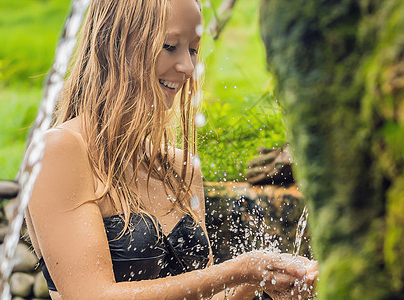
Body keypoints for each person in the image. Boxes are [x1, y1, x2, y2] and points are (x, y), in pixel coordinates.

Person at [23, 0, 319, 299]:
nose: (188, 68)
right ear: (117, 44)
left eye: (193, 49)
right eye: (169, 46)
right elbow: (92, 295)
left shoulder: (181, 168)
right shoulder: (60, 151)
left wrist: (260, 281)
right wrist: (239, 269)